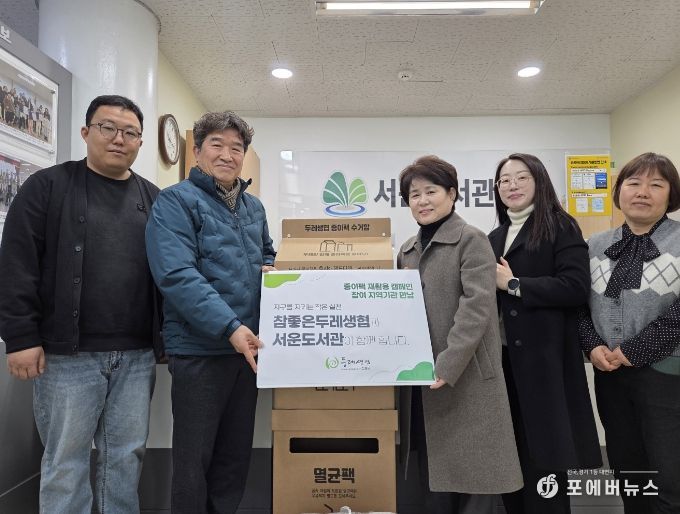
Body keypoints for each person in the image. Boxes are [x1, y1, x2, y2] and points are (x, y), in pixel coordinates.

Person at [0, 94, 163, 514]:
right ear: (86, 132)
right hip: (67, 357)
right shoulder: (47, 187)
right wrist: (20, 337)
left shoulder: (154, 197)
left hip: (136, 355)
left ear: (140, 142)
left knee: (126, 458)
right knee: (65, 463)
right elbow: (16, 264)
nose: (119, 139)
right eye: (108, 128)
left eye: (130, 132)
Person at [145, 111, 276, 514]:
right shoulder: (176, 201)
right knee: (193, 462)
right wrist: (229, 326)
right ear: (198, 151)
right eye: (216, 145)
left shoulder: (253, 207)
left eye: (236, 148)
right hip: (200, 351)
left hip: (246, 351)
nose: (227, 154)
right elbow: (176, 274)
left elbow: (267, 253)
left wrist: (272, 271)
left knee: (234, 458)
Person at [397, 155, 523, 514]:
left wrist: (448, 363)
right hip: (422, 378)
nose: (422, 201)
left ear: (452, 194)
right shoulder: (407, 250)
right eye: (414, 194)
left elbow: (477, 309)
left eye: (431, 191)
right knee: (433, 475)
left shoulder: (472, 239)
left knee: (476, 477)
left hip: (466, 376)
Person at [488, 153, 602, 514]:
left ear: (539, 181)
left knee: (547, 459)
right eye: (505, 180)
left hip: (545, 362)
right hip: (503, 362)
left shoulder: (559, 226)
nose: (512, 185)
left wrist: (515, 284)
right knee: (510, 456)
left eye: (522, 177)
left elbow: (575, 287)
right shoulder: (494, 237)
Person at [579, 152, 680, 514]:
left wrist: (634, 350)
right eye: (633, 183)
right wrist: (592, 345)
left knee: (671, 475)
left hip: (668, 374)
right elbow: (577, 304)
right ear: (619, 191)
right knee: (629, 470)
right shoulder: (594, 245)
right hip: (610, 374)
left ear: (671, 194)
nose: (642, 192)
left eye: (656, 185)